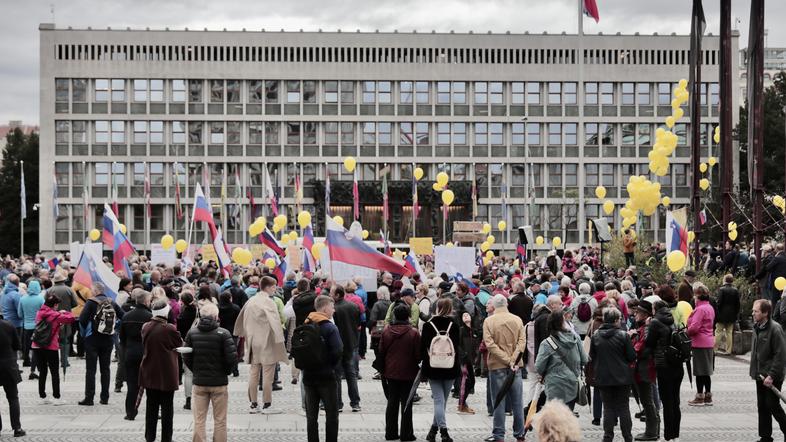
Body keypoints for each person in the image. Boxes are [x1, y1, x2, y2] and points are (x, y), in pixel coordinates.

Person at [234, 276, 288, 414]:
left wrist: (243, 333)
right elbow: (276, 321)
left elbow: (242, 318)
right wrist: (280, 340)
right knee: (267, 375)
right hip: (267, 341)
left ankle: (253, 404)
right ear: (268, 287)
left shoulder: (251, 301)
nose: (275, 289)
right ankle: (267, 404)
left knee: (254, 373)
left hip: (252, 341)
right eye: (274, 287)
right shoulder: (269, 302)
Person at [183, 302, 237, 442]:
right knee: (220, 420)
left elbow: (186, 355)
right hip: (219, 382)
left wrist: (195, 370)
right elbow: (232, 358)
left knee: (199, 419)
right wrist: (225, 371)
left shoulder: (192, 332)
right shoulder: (223, 333)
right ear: (215, 316)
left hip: (200, 382)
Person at [483, 294, 526, 442]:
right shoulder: (517, 320)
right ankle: (520, 433)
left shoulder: (489, 321)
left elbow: (490, 345)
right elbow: (522, 343)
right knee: (517, 402)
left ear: (494, 306)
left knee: (498, 400)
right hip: (516, 366)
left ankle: (499, 434)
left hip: (497, 365)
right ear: (506, 304)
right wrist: (513, 360)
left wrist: (507, 360)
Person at [590, 307, 636, 442]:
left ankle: (607, 436)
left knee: (608, 407)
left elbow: (592, 356)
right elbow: (631, 356)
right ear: (616, 320)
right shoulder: (623, 335)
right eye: (620, 319)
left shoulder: (596, 335)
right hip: (622, 377)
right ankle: (627, 436)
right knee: (623, 407)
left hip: (603, 377)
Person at [140, 298, 182, 442]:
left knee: (151, 407)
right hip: (166, 372)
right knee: (167, 409)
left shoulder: (146, 326)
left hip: (149, 370)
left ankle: (149, 437)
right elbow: (179, 342)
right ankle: (166, 438)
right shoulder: (169, 328)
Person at [303, 295, 343, 442]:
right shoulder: (330, 328)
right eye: (332, 307)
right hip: (326, 377)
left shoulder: (306, 324)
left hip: (308, 377)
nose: (334, 310)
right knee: (332, 415)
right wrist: (331, 366)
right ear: (325, 308)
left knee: (311, 416)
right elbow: (338, 350)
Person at [379, 304, 421, 441]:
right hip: (409, 372)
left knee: (392, 402)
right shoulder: (413, 333)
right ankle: (406, 434)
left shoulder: (386, 331)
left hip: (390, 372)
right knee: (406, 403)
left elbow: (381, 352)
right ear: (408, 316)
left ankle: (390, 433)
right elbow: (418, 354)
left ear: (394, 316)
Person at [420, 297, 460, 442]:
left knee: (438, 400)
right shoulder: (454, 325)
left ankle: (434, 430)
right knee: (443, 401)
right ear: (450, 309)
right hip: (450, 367)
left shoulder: (428, 325)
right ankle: (443, 431)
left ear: (436, 308)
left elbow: (422, 348)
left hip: (433, 367)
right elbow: (457, 347)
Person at [78, 285, 125, 406]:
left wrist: (86, 331)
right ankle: (105, 397)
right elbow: (123, 316)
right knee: (105, 369)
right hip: (108, 339)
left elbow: (82, 319)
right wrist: (114, 327)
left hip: (92, 339)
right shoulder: (111, 302)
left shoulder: (91, 302)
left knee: (91, 370)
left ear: (96, 291)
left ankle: (89, 398)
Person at [646, 301, 683, 442]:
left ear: (655, 309)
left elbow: (649, 343)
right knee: (675, 401)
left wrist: (649, 326)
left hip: (664, 365)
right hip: (677, 365)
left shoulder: (655, 323)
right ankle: (675, 435)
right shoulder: (671, 319)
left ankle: (668, 436)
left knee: (667, 402)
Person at [535, 310, 588, 409]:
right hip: (572, 382)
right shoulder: (575, 339)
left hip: (554, 384)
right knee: (568, 415)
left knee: (555, 417)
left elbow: (539, 366)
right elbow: (584, 359)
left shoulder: (547, 343)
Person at [751, 299, 786, 442]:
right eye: (753, 310)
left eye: (756, 311)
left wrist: (771, 375)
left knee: (773, 405)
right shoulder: (757, 326)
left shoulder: (775, 329)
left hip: (772, 375)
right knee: (762, 406)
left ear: (765, 313)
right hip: (760, 374)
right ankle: (765, 437)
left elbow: (781, 354)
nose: (753, 313)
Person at [32, 292, 75, 406]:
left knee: (42, 371)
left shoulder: (39, 313)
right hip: (50, 346)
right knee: (54, 372)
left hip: (37, 345)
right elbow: (70, 318)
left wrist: (57, 313)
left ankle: (42, 397)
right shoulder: (55, 315)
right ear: (55, 305)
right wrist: (64, 312)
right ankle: (56, 398)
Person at [118, 289, 152, 420]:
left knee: (132, 384)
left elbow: (122, 338)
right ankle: (152, 411)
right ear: (145, 301)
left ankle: (130, 412)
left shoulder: (126, 316)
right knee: (150, 384)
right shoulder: (150, 316)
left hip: (131, 353)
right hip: (146, 353)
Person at [630, 299, 660, 441]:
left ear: (646, 314)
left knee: (647, 401)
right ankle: (653, 430)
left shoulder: (646, 328)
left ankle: (651, 432)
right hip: (643, 368)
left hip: (645, 369)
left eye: (639, 312)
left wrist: (630, 344)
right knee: (647, 400)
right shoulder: (642, 327)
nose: (635, 314)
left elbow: (640, 347)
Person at [331, 285, 362, 412]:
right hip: (351, 344)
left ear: (337, 295)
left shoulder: (334, 310)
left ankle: (338, 404)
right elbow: (359, 324)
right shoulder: (353, 306)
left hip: (339, 345)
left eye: (332, 293)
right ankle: (355, 403)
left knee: (337, 375)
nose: (330, 295)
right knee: (351, 375)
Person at [687, 283, 716, 407]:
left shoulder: (699, 309)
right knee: (706, 371)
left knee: (699, 371)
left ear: (697, 296)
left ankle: (700, 396)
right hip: (709, 341)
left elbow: (694, 327)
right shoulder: (709, 307)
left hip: (699, 342)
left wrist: (686, 331)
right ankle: (708, 395)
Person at [0, 316, 25, 437]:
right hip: (8, 366)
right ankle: (17, 428)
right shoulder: (8, 325)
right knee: (13, 398)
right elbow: (17, 345)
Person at [17, 279, 44, 378]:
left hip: (26, 326)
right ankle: (37, 367)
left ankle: (26, 361)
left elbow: (19, 314)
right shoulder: (41, 299)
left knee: (27, 346)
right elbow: (44, 313)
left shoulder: (23, 298)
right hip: (38, 326)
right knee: (36, 348)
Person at [177, 290, 197, 410]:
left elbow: (179, 332)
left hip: (186, 342)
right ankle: (200, 397)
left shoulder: (181, 316)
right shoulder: (198, 311)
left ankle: (188, 399)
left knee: (188, 373)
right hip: (199, 340)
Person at [715, 274, 740, 355]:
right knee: (729, 333)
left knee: (718, 332)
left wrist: (716, 312)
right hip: (732, 315)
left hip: (721, 314)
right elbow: (737, 304)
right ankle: (728, 350)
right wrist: (736, 313)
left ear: (724, 280)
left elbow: (719, 303)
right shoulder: (735, 290)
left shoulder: (721, 290)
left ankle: (714, 349)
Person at [217, 291, 240, 376]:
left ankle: (223, 369)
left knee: (221, 351)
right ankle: (235, 370)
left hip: (220, 331)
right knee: (233, 352)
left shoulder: (217, 308)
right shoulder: (236, 308)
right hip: (233, 332)